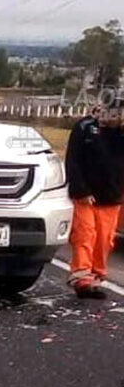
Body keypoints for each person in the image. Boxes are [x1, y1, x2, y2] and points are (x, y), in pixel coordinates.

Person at [65, 100, 124, 299]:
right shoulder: (84, 128)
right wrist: (80, 190)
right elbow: (72, 160)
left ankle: (97, 277)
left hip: (112, 195)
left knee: (104, 239)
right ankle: (82, 277)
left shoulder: (120, 134)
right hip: (86, 194)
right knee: (85, 234)